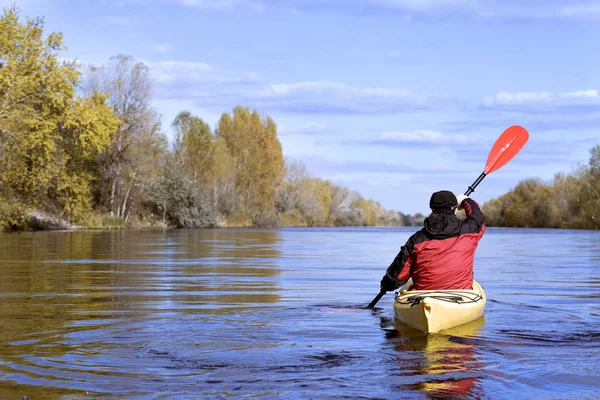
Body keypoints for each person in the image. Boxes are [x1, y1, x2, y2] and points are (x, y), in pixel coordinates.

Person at [380, 190, 486, 292]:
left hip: (423, 297)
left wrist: (385, 286)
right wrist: (465, 201)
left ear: (431, 210)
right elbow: (478, 218)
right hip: (461, 295)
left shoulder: (416, 240)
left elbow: (396, 277)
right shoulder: (470, 231)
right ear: (455, 209)